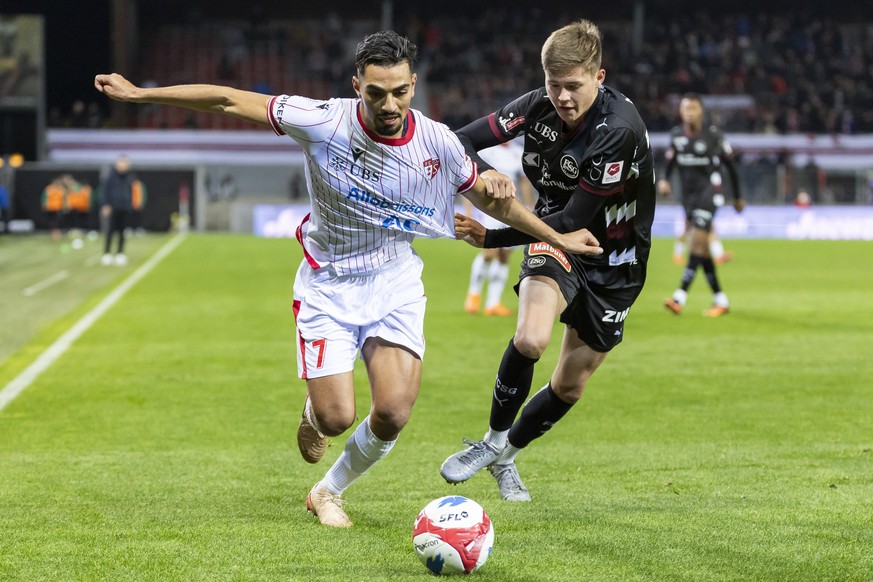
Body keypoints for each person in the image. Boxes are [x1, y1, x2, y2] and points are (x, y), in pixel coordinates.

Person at [94, 30, 602, 528]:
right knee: (337, 417)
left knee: (393, 412)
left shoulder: (438, 142)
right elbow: (228, 99)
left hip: (394, 280)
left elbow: (498, 203)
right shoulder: (322, 121)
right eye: (376, 92)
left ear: (413, 85)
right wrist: (141, 93)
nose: (389, 104)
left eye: (400, 92)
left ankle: (328, 492)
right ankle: (316, 414)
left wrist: (556, 238)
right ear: (356, 84)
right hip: (328, 283)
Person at [440, 19, 656, 502]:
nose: (561, 97)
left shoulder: (616, 131)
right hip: (556, 241)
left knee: (570, 385)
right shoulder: (535, 107)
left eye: (573, 86)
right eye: (553, 84)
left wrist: (492, 234)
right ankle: (491, 441)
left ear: (599, 78)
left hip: (615, 260)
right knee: (531, 337)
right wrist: (491, 175)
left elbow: (577, 218)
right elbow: (457, 142)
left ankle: (507, 454)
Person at [658, 93, 744, 317]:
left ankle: (679, 297)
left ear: (701, 111)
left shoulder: (713, 136)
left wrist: (737, 197)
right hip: (688, 199)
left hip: (710, 196)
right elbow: (670, 162)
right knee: (703, 253)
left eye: (693, 108)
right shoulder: (677, 136)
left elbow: (731, 167)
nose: (689, 112)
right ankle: (721, 300)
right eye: (685, 108)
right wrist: (665, 181)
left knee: (695, 245)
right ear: (681, 112)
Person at [463, 140, 535, 317]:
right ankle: (473, 294)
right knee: (489, 252)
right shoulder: (486, 150)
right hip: (490, 207)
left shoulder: (518, 152)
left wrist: (529, 205)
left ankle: (493, 303)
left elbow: (524, 182)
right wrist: (469, 210)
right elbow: (470, 179)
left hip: (512, 207)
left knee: (504, 255)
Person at [98, 155, 146, 266]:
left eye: (125, 163)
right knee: (110, 230)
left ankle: (120, 253)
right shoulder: (110, 175)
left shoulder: (131, 176)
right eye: (121, 162)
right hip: (113, 206)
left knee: (122, 231)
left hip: (125, 206)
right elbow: (105, 190)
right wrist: (105, 204)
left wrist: (134, 203)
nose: (123, 165)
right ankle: (107, 253)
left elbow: (134, 191)